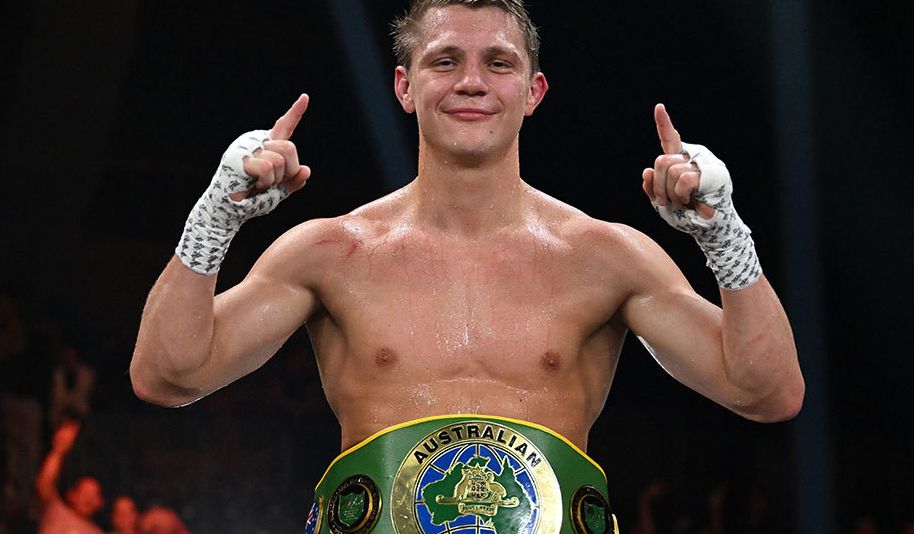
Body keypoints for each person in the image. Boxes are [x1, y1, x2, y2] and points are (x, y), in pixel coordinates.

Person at [130, 0, 804, 531]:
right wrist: (213, 219)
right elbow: (168, 373)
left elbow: (767, 392)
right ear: (404, 84)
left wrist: (726, 240)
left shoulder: (604, 256)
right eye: (444, 60)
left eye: (499, 63)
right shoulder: (331, 252)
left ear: (535, 90)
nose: (472, 82)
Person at [35, 419, 105, 534]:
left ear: (100, 502)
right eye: (85, 494)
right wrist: (58, 451)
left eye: (94, 495)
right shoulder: (55, 511)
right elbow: (44, 484)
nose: (89, 499)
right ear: (72, 495)